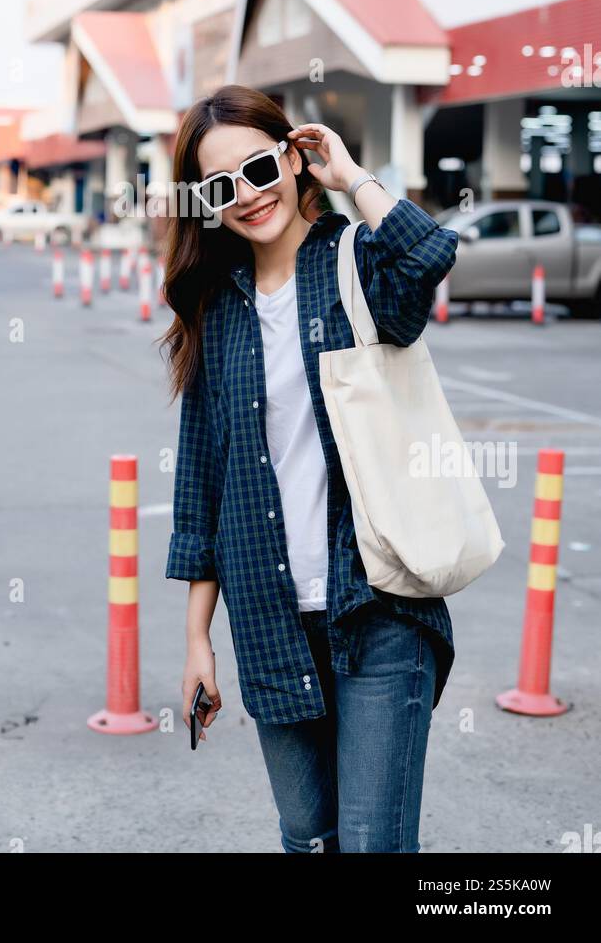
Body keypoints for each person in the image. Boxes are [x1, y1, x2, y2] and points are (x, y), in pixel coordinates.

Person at [158, 84, 459, 853]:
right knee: (308, 840)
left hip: (379, 608)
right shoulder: (215, 309)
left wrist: (350, 174)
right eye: (220, 188)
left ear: (293, 158)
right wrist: (198, 640)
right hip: (269, 622)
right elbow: (203, 485)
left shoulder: (356, 263)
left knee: (371, 845)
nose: (247, 197)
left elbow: (429, 252)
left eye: (260, 169)